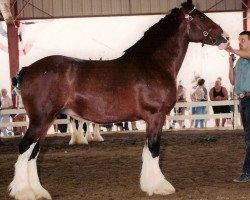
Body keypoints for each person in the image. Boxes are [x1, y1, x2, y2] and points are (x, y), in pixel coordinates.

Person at [226, 30, 250, 182]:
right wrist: (230, 64)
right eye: (239, 39)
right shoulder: (240, 60)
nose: (239, 41)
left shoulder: (246, 56)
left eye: (243, 39)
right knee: (248, 137)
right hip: (243, 101)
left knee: (249, 138)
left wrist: (232, 50)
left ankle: (246, 172)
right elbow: (232, 81)